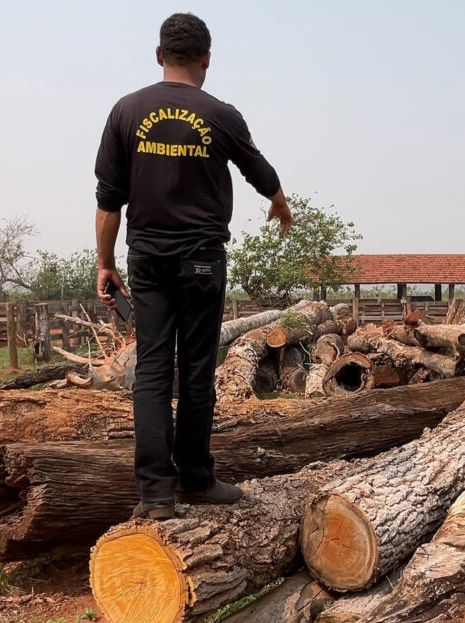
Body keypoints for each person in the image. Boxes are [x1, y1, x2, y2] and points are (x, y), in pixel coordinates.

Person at [93, 13, 293, 520]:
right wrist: (279, 202)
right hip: (203, 261)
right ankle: (198, 482)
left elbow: (108, 201)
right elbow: (260, 169)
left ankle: (156, 495)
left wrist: (105, 263)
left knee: (154, 371)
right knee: (197, 372)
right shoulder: (220, 114)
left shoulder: (126, 111)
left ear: (159, 56)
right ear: (206, 60)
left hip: (148, 260)